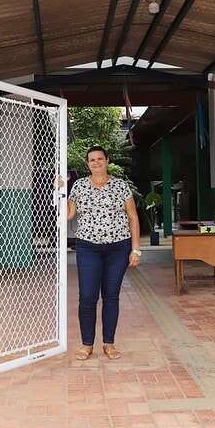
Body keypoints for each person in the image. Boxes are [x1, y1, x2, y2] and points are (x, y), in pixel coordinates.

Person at [63, 146, 141, 360]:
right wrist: (59, 193)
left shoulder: (120, 186)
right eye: (91, 160)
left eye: (100, 158)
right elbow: (69, 215)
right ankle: (87, 344)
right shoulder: (78, 186)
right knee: (87, 296)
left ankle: (108, 343)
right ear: (87, 164)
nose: (96, 162)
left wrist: (135, 249)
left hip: (118, 247)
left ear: (107, 160)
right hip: (88, 247)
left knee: (111, 296)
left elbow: (133, 218)